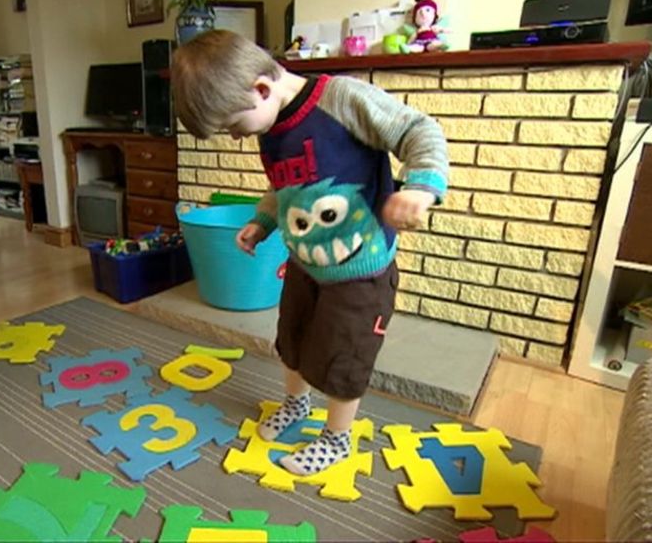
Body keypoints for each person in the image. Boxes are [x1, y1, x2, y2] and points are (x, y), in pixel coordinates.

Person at [172, 30, 448, 476]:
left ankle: (337, 438)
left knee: (345, 357)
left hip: (359, 270)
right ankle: (296, 405)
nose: (238, 138)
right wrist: (263, 222)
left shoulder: (343, 100)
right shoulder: (270, 122)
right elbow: (283, 187)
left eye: (235, 127)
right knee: (293, 340)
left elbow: (420, 130)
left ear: (262, 89)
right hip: (303, 264)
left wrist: (421, 187)